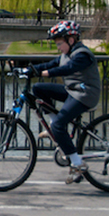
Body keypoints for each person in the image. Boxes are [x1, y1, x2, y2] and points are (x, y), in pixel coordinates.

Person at [29, 20, 101, 185]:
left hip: (85, 94)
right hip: (72, 91)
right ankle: (55, 125)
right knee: (39, 89)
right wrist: (29, 69)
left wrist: (46, 73)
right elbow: (50, 64)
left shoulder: (82, 54)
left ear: (71, 40)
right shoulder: (65, 54)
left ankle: (77, 163)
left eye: (59, 43)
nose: (58, 47)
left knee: (59, 126)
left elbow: (67, 69)